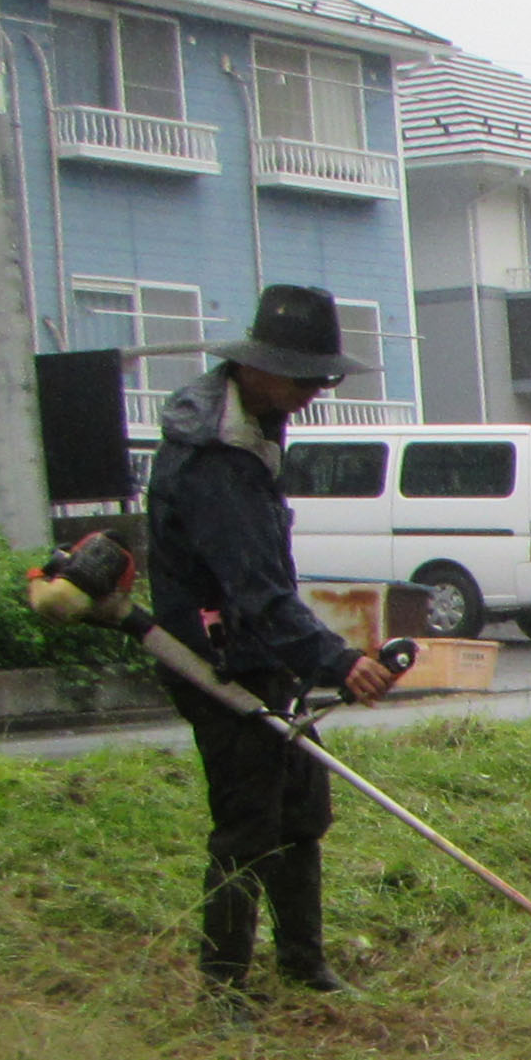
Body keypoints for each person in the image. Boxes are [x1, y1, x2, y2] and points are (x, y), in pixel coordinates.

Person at [142, 284, 397, 1008]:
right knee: (247, 825)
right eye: (301, 378)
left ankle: (303, 962)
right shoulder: (213, 461)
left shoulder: (256, 422)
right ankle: (223, 987)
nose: (310, 394)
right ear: (254, 365)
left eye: (320, 380)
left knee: (300, 812)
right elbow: (254, 589)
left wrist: (313, 656)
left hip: (266, 655)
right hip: (217, 663)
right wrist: (339, 660)